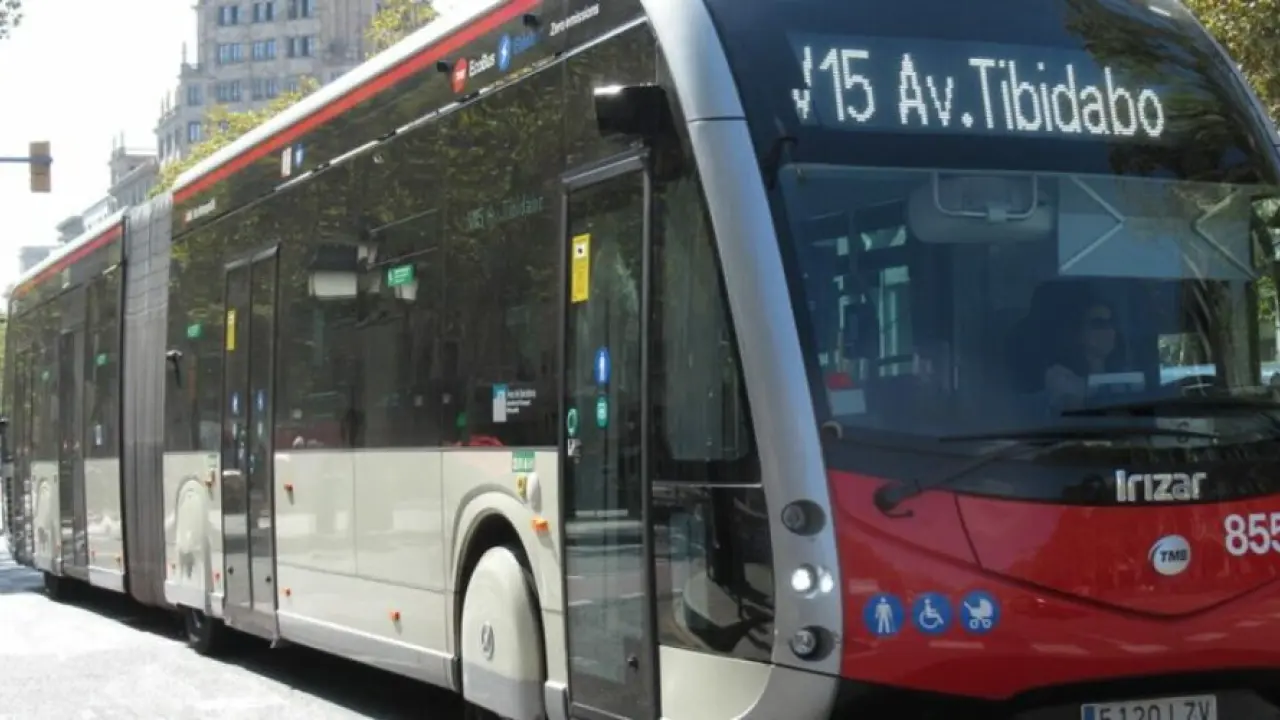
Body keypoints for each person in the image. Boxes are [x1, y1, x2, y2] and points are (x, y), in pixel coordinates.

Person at [1044, 296, 1123, 406]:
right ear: (1079, 332)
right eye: (1099, 324)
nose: (1109, 330)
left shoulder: (1122, 374)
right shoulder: (1059, 375)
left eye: (1111, 323)